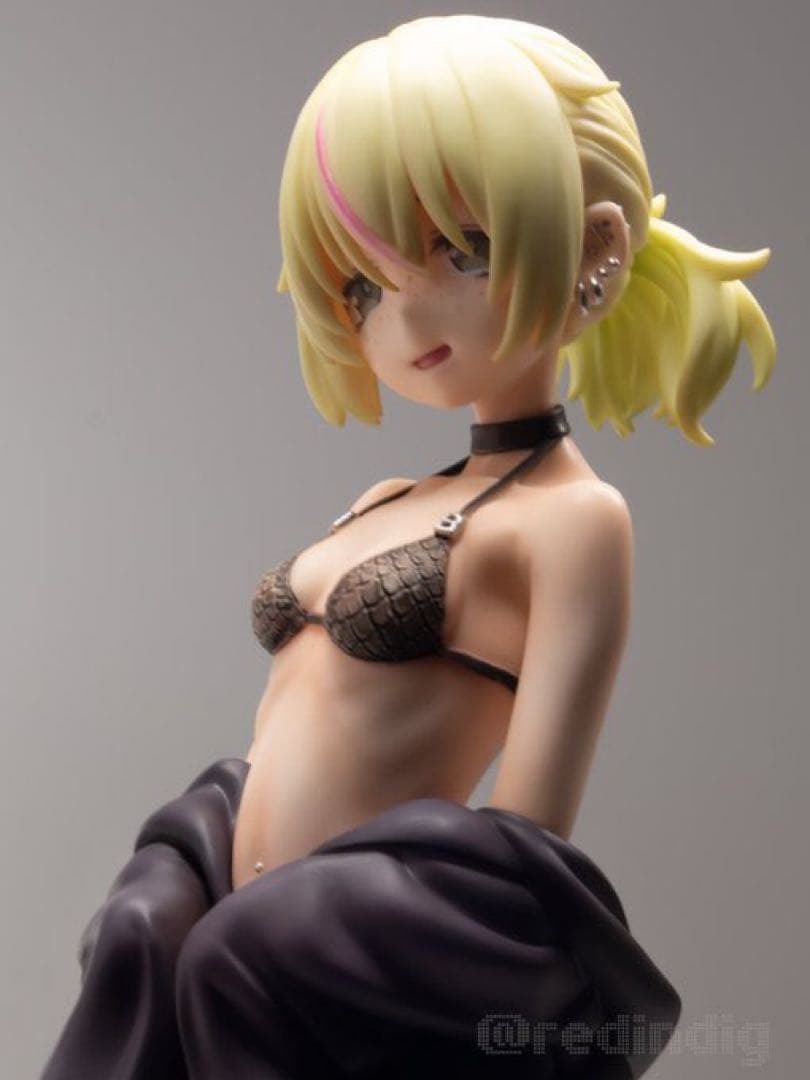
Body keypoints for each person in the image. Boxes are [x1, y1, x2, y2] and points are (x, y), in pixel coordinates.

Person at [42, 14, 775, 1080]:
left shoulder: (574, 519)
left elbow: (531, 826)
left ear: (597, 251)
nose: (402, 312)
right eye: (361, 286)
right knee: (141, 930)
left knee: (238, 957)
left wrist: (424, 951)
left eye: (462, 251)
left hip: (349, 932)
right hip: (230, 876)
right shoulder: (387, 497)